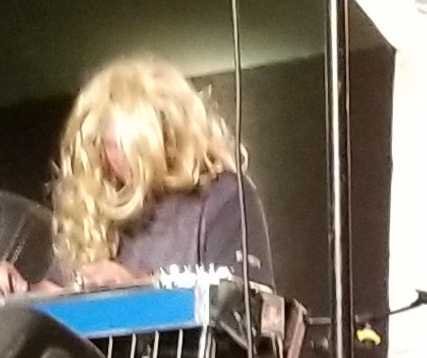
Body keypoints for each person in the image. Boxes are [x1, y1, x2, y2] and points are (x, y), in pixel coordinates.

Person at [38, 57, 267, 286]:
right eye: (114, 145)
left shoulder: (222, 196)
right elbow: (57, 293)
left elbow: (244, 301)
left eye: (137, 146)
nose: (128, 159)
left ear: (171, 133)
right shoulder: (93, 206)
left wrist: (139, 287)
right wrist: (28, 293)